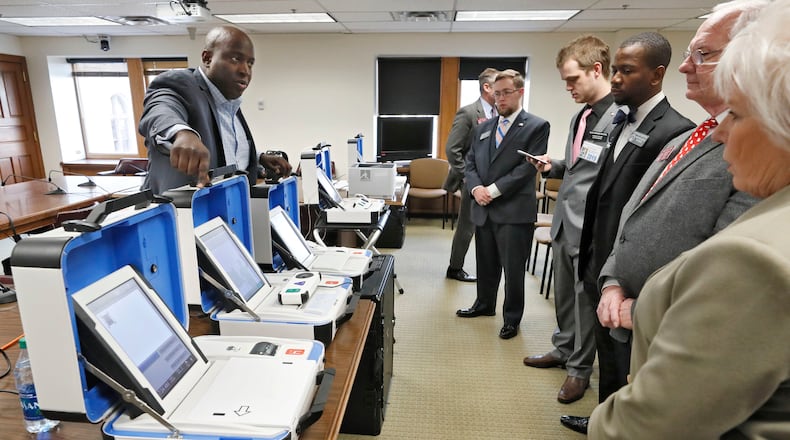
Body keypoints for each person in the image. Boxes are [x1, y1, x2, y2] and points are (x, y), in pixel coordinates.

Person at [560, 2, 767, 434]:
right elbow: (632, 213)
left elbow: (728, 255)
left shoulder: (758, 147)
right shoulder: (691, 136)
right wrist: (613, 277)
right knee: (615, 380)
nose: (686, 67)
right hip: (617, 286)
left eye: (704, 55)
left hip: (667, 313)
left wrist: (652, 305)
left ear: (755, 59)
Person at [572, 31, 696, 405]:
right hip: (598, 256)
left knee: (627, 358)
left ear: (656, 75)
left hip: (630, 268)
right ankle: (604, 418)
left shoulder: (675, 131)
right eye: (614, 70)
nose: (614, 79)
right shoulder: (617, 122)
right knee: (606, 353)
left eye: (626, 71)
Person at [522, 35, 618, 404]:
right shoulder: (582, 115)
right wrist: (554, 165)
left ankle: (579, 371)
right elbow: (582, 167)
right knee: (564, 296)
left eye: (573, 79)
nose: (568, 88)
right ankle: (562, 350)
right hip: (564, 219)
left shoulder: (618, 118)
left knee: (583, 302)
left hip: (591, 227)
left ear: (597, 70)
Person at [139, 26, 292, 195]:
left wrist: (258, 158)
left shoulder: (229, 103)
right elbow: (161, 109)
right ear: (208, 58)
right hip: (180, 214)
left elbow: (226, 150)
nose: (245, 70)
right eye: (235, 59)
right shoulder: (179, 84)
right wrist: (181, 133)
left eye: (250, 63)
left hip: (228, 212)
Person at [456, 69, 549, 340]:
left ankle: (511, 319)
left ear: (520, 92)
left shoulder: (536, 126)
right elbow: (471, 161)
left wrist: (492, 191)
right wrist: (475, 189)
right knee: (485, 263)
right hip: (483, 207)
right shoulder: (484, 127)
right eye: (496, 94)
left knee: (513, 269)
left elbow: (526, 169)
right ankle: (484, 304)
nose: (500, 99)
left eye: (506, 92)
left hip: (513, 210)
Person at [443, 67, 500, 283]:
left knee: (491, 228)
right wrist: (468, 177)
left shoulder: (500, 113)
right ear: (487, 87)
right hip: (472, 181)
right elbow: (452, 149)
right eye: (499, 85)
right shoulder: (468, 112)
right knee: (468, 227)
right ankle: (455, 267)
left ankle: (489, 268)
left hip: (494, 182)